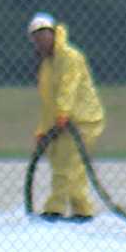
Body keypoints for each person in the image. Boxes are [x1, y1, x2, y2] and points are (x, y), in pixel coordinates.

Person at [28, 12, 106, 222]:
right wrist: (43, 129)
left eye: (44, 34)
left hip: (82, 120)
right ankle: (82, 211)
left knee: (67, 166)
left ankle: (54, 210)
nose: (41, 40)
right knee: (68, 166)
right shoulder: (47, 66)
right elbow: (47, 101)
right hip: (61, 123)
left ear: (53, 34)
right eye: (36, 37)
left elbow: (67, 88)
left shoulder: (70, 57)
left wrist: (64, 113)